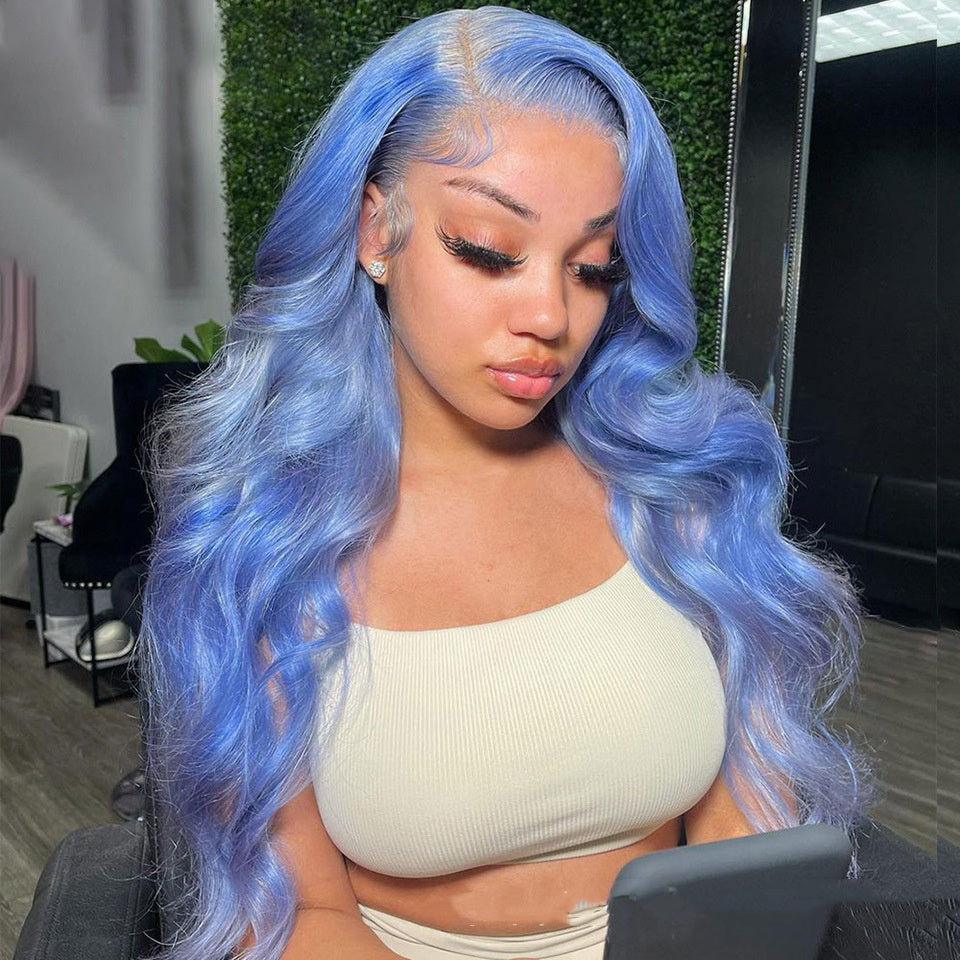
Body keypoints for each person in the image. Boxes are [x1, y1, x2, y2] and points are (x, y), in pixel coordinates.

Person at [139, 7, 875, 959]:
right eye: (488, 250)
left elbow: (749, 844)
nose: (550, 315)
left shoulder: (679, 491)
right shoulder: (268, 535)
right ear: (374, 230)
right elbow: (294, 913)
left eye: (594, 268)